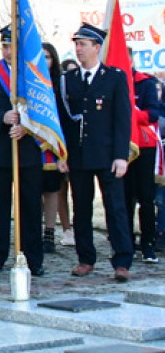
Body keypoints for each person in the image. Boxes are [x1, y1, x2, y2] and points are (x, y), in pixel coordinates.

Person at [59, 23, 134, 281]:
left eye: (83, 44)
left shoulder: (114, 77)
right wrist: (62, 154)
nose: (78, 49)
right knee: (81, 208)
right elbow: (64, 122)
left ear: (97, 47)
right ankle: (85, 258)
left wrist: (121, 155)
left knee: (116, 208)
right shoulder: (67, 80)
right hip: (78, 155)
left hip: (107, 154)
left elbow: (122, 119)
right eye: (76, 44)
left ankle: (122, 260)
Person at [0, 26, 45, 277]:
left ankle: (33, 258)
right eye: (4, 46)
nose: (8, 51)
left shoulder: (34, 74)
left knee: (31, 208)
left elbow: (45, 107)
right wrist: (0, 117)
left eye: (12, 46)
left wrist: (27, 126)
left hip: (28, 151)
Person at [126, 47, 161, 263]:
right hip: (122, 147)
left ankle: (148, 244)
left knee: (146, 198)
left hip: (144, 146)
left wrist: (132, 114)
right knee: (124, 198)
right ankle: (126, 243)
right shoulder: (113, 81)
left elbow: (153, 114)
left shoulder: (145, 82)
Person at [40, 42, 72, 253]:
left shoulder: (61, 83)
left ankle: (50, 232)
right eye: (40, 57)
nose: (44, 61)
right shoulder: (24, 81)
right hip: (31, 141)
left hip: (54, 143)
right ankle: (32, 229)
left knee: (53, 188)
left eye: (48, 57)